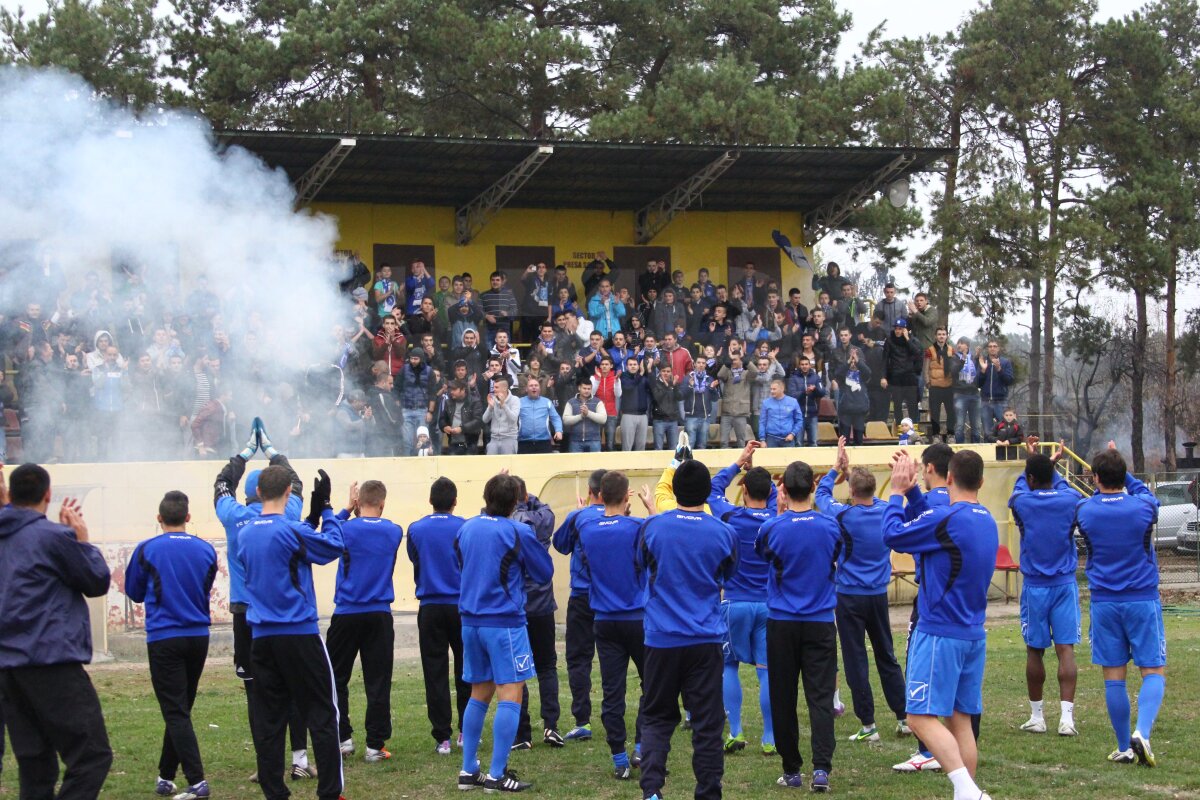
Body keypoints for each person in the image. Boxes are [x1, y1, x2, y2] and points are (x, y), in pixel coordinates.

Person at [883, 450, 998, 800]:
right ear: (981, 481)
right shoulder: (986, 518)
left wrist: (896, 493)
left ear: (948, 478)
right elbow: (935, 523)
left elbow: (893, 535)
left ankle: (967, 791)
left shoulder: (949, 520)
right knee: (961, 720)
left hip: (939, 632)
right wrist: (917, 494)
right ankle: (969, 793)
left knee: (918, 718)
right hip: (972, 634)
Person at [0, 464, 113, 800]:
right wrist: (81, 540)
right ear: (48, 495)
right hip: (51, 661)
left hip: (9, 667)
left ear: (10, 493)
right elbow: (95, 581)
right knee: (92, 756)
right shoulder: (52, 537)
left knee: (35, 765)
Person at [235, 463, 345, 800]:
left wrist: (310, 518)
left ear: (257, 493)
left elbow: (289, 549)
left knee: (269, 719)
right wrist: (326, 509)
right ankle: (329, 792)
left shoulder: (246, 533)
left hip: (262, 638)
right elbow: (332, 546)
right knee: (323, 712)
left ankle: (275, 791)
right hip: (298, 633)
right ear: (287, 493)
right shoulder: (290, 530)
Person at [213, 420, 315, 783]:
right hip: (286, 616)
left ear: (249, 494)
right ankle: (300, 759)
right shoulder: (288, 513)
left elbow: (221, 484)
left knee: (257, 691)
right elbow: (297, 481)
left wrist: (244, 453)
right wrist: (272, 450)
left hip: (248, 615)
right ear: (280, 492)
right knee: (295, 688)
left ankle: (266, 763)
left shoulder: (233, 516)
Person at [636, 457, 737, 800]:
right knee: (708, 725)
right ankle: (708, 792)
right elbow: (726, 574)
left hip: (661, 639)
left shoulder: (652, 528)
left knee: (656, 717)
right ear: (708, 493)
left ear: (673, 490)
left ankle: (652, 790)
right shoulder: (723, 532)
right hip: (704, 640)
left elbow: (643, 564)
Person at [454, 474, 554, 793]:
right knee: (511, 693)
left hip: (470, 621)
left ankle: (469, 770)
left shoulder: (466, 527)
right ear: (515, 503)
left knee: (479, 692)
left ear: (486, 497)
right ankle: (497, 775)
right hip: (504, 622)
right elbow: (544, 572)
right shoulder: (518, 530)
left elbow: (461, 562)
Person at [1074, 442, 1164, 766]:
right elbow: (1148, 498)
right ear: (1125, 477)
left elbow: (1095, 503)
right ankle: (1142, 732)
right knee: (1152, 668)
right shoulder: (1142, 507)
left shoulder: (1085, 509)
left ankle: (1124, 745)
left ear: (1095, 478)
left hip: (1104, 602)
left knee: (1114, 676)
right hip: (1141, 598)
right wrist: (1127, 478)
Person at [125, 490, 217, 800]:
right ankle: (165, 776)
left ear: (159, 518)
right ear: (188, 518)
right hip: (198, 636)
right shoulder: (206, 549)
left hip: (165, 637)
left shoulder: (147, 549)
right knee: (180, 708)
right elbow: (205, 587)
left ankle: (197, 781)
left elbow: (134, 592)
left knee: (176, 711)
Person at [755, 460, 841, 793]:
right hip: (820, 621)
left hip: (783, 622)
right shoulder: (830, 525)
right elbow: (836, 555)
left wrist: (780, 515)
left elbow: (765, 556)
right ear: (814, 488)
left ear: (785, 491)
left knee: (783, 695)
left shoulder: (772, 527)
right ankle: (821, 770)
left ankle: (792, 769)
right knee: (820, 698)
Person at [816, 439, 909, 746]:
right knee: (887, 655)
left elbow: (821, 495)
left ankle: (868, 723)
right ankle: (903, 716)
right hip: (878, 595)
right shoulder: (886, 511)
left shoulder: (843, 515)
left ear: (853, 492)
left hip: (849, 596)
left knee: (856, 659)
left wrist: (835, 468)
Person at [576, 471, 650, 779]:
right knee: (654, 686)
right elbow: (659, 546)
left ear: (600, 496)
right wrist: (651, 508)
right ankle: (641, 746)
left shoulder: (587, 527)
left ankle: (619, 757)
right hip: (637, 618)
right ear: (627, 496)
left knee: (612, 692)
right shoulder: (638, 527)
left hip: (605, 621)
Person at [707, 442, 777, 755]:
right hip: (767, 605)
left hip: (734, 602)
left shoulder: (732, 517)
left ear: (744, 490)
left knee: (729, 666)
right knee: (766, 671)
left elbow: (712, 488)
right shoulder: (775, 519)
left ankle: (735, 731)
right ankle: (770, 738)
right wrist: (759, 476)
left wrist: (740, 463)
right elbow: (774, 495)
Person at [327, 480, 403, 763]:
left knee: (336, 677)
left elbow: (326, 531)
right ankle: (375, 745)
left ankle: (342, 738)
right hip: (379, 614)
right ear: (382, 504)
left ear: (358, 504)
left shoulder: (344, 528)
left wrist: (346, 509)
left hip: (346, 612)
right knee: (378, 680)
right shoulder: (394, 531)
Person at [1009, 440, 1081, 736]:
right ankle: (1067, 719)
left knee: (1034, 649)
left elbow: (1020, 488)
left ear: (1030, 478)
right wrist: (1051, 466)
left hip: (1035, 586)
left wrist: (1032, 461)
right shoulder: (1070, 499)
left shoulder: (1022, 501)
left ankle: (1038, 717)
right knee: (1066, 650)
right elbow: (1060, 486)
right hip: (1064, 583)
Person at [407, 478, 470, 755]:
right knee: (466, 669)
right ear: (454, 501)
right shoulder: (465, 527)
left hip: (430, 605)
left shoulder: (416, 529)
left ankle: (442, 736)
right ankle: (465, 732)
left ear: (430, 501)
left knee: (434, 671)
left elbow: (414, 557)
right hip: (461, 605)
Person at [551, 469, 607, 742]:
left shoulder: (579, 517)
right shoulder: (622, 517)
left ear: (590, 492)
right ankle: (612, 715)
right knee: (612, 658)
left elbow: (560, 545)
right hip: (611, 600)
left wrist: (576, 515)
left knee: (578, 658)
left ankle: (582, 719)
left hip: (582, 596)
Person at [510, 479, 563, 750]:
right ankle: (551, 726)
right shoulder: (543, 518)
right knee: (546, 666)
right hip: (542, 604)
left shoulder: (508, 521)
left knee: (518, 670)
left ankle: (522, 733)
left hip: (518, 605)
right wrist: (528, 497)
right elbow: (546, 509)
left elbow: (489, 512)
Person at [516, 377, 563, 454]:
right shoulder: (519, 402)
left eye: (536, 385)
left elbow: (556, 418)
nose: (534, 387)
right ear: (526, 389)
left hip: (544, 442)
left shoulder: (547, 402)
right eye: (531, 386)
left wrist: (558, 431)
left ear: (540, 389)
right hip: (524, 442)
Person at [563, 376, 607, 453]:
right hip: (575, 440)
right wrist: (580, 416)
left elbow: (603, 419)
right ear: (579, 388)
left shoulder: (598, 402)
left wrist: (588, 413)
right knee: (576, 465)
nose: (586, 391)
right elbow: (565, 420)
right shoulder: (571, 402)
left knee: (595, 465)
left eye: (589, 389)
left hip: (594, 440)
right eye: (584, 388)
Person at [483, 375, 521, 455]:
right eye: (494, 387)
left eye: (496, 387)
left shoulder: (515, 400)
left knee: (508, 466)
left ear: (504, 388)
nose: (494, 389)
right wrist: (490, 407)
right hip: (494, 439)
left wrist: (503, 405)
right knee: (491, 465)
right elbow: (485, 420)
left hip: (509, 439)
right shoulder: (493, 399)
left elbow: (514, 418)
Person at [759, 378, 802, 447]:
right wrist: (762, 440)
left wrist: (793, 434)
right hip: (771, 439)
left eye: (774, 389)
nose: (772, 391)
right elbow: (762, 422)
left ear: (782, 389)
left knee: (790, 458)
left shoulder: (793, 402)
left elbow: (799, 420)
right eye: (771, 389)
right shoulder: (766, 403)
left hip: (788, 439)